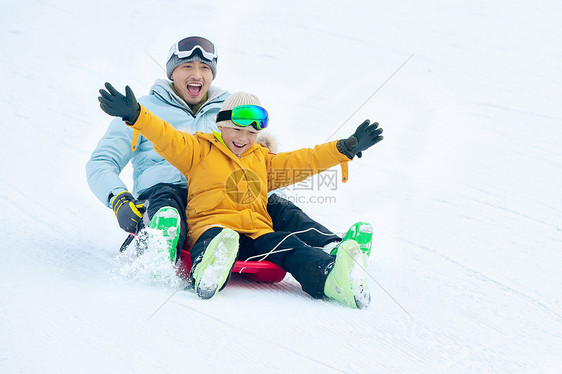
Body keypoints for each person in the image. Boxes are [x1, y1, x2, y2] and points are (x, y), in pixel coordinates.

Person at [86, 36, 372, 262]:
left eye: (205, 68)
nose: (196, 74)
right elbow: (101, 161)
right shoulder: (140, 110)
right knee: (167, 201)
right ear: (172, 72)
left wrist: (265, 194)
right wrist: (118, 198)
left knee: (276, 205)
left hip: (226, 196)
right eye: (187, 66)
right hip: (164, 192)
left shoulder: (228, 110)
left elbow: (259, 160)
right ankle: (159, 247)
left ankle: (334, 247)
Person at [97, 85, 384, 309]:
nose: (242, 138)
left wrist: (343, 149)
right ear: (220, 125)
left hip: (256, 233)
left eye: (249, 133)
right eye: (236, 129)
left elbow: (305, 160)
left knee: (290, 245)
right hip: (212, 227)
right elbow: (165, 135)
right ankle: (206, 273)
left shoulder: (263, 159)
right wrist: (136, 115)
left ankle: (332, 279)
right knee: (218, 240)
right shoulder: (198, 150)